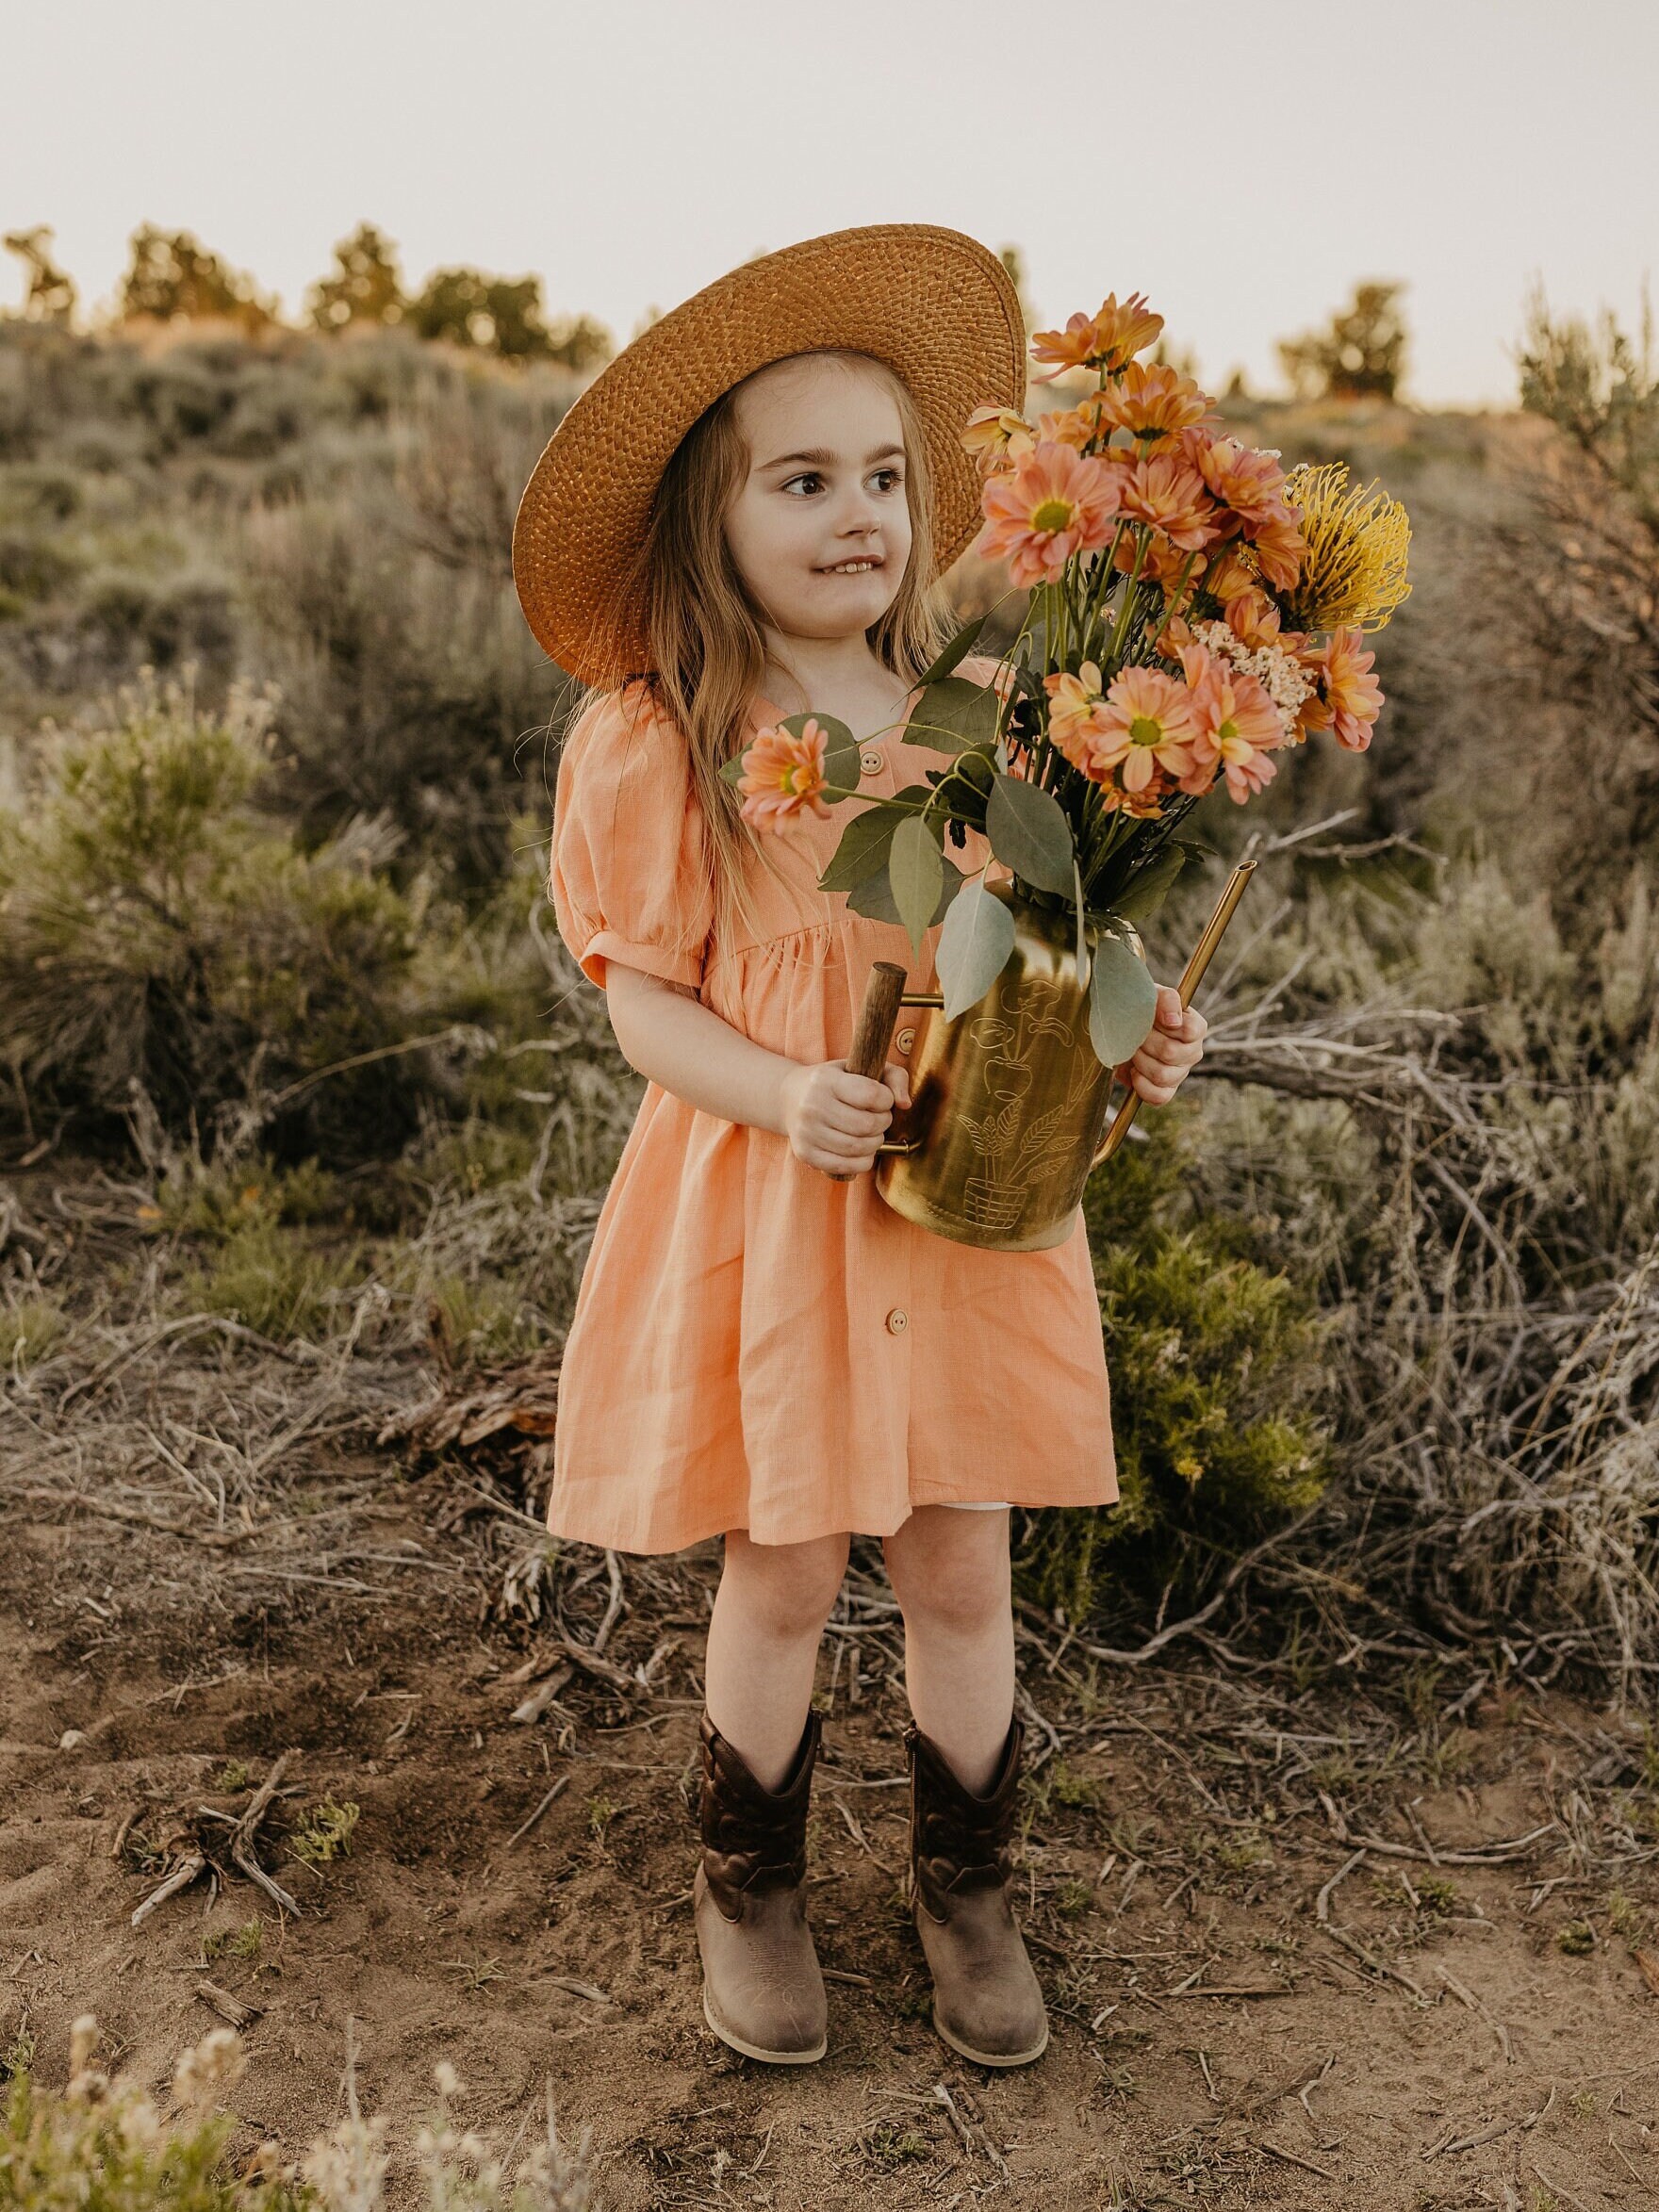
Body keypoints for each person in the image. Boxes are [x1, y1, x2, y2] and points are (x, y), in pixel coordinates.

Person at [511, 225, 1207, 2071]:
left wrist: (1118, 1029)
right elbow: (638, 999)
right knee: (788, 1562)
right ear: (705, 519)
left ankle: (966, 1878)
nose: (858, 515)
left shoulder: (981, 729)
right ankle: (747, 1878)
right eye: (802, 479)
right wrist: (770, 1085)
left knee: (960, 1562)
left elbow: (1022, 968)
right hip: (775, 1202)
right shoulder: (662, 740)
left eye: (884, 477)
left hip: (956, 1219)